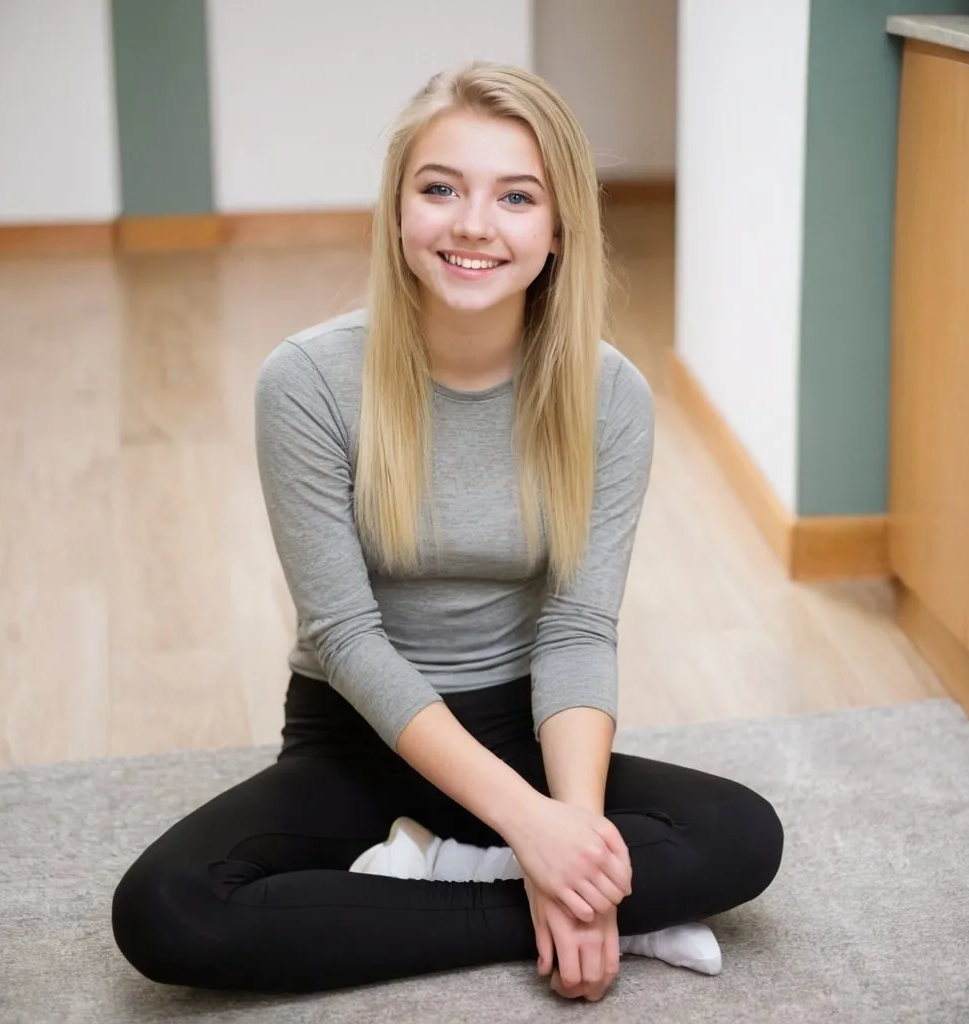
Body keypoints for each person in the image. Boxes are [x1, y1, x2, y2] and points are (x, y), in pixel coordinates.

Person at [110, 61, 783, 1003]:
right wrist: (539, 842)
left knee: (745, 834)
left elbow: (579, 627)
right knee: (167, 910)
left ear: (557, 232)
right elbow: (344, 638)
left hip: (524, 724)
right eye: (441, 189)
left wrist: (570, 833)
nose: (473, 225)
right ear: (397, 212)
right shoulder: (306, 382)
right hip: (360, 733)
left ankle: (454, 880)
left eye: (516, 196)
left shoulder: (610, 393)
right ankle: (570, 905)